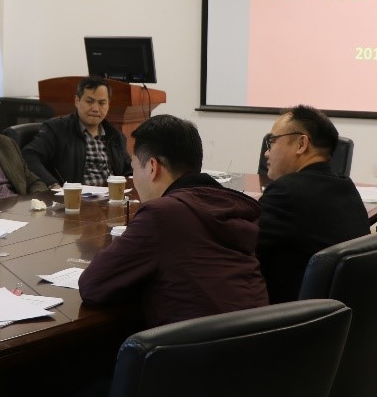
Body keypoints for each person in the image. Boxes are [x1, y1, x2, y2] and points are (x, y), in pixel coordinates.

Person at [79, 114, 268, 327]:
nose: (134, 177)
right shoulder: (230, 205)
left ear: (152, 167)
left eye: (134, 169)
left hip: (197, 345)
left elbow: (93, 285)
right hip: (258, 338)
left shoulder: (162, 215)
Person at [256, 105, 370, 303]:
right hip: (337, 310)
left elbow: (243, 247)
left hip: (291, 313)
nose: (267, 153)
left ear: (301, 144)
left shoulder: (287, 192)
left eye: (272, 141)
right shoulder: (346, 186)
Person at [24, 77, 133, 188]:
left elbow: (129, 170)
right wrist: (52, 184)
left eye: (102, 103)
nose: (95, 109)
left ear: (108, 105)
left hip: (112, 195)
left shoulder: (115, 136)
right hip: (75, 196)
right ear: (77, 101)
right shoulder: (57, 128)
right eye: (89, 101)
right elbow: (29, 155)